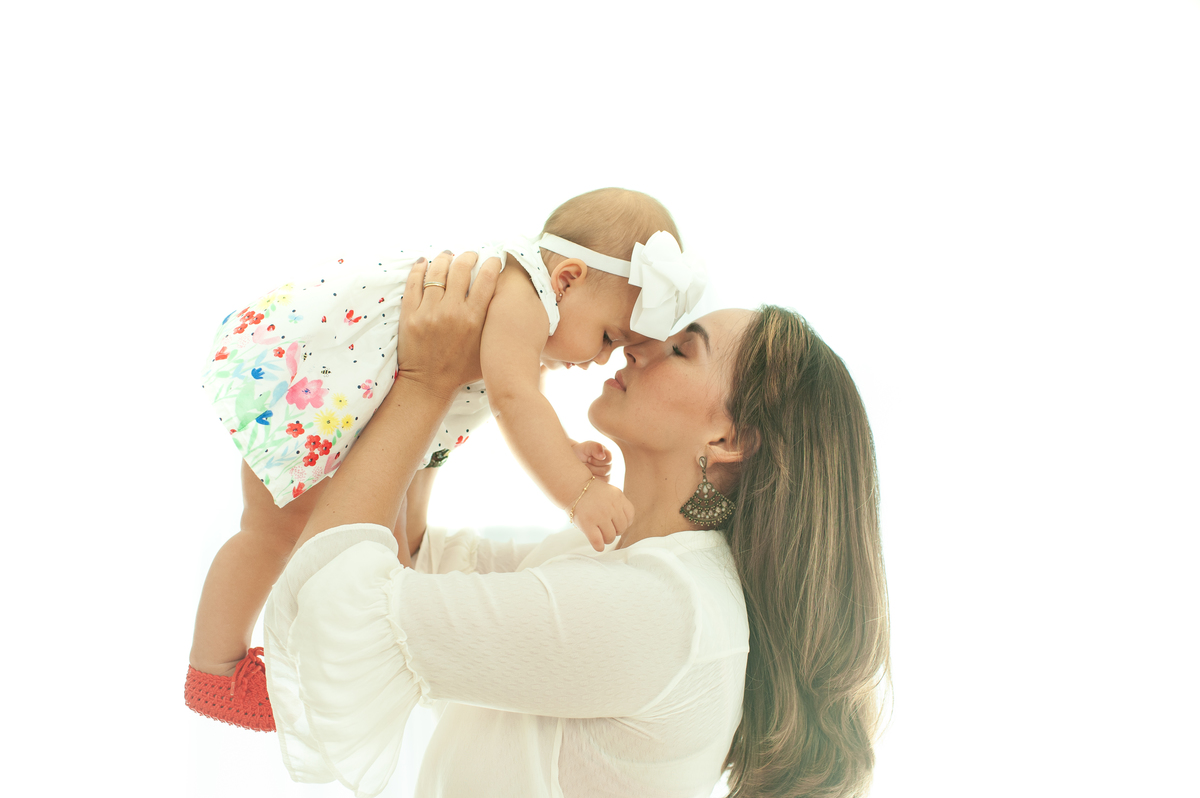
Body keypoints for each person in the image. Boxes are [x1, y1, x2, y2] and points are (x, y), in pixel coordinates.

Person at [262, 251, 891, 797]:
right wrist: (473, 378)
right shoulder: (617, 558)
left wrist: (424, 380)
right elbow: (415, 558)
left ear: (729, 438)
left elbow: (339, 609)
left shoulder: (663, 609)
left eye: (678, 348)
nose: (638, 346)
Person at [184, 188, 707, 732]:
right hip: (316, 383)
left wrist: (567, 450)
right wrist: (578, 490)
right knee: (277, 530)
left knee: (386, 547)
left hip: (359, 403)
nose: (601, 360)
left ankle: (325, 664)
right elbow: (516, 401)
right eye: (606, 338)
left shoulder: (533, 308)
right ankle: (215, 667)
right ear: (567, 279)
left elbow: (522, 409)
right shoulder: (522, 295)